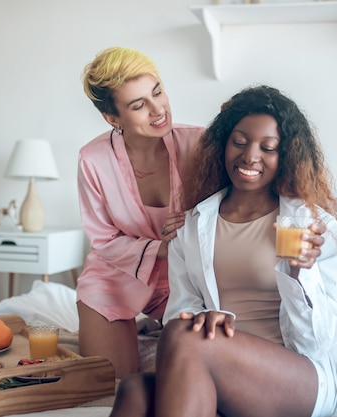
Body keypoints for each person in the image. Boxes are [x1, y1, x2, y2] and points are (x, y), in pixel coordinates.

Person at [110, 85, 337, 417]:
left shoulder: (310, 227)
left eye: (268, 148)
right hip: (217, 367)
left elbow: (320, 341)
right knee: (135, 390)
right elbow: (178, 314)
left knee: (186, 340)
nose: (250, 157)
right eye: (239, 143)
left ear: (285, 155)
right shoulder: (194, 224)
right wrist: (199, 318)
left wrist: (302, 274)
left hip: (300, 373)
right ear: (223, 145)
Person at [77, 47, 203, 378]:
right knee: (114, 382)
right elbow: (104, 240)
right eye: (139, 105)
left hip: (186, 278)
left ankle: (157, 318)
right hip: (116, 277)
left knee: (205, 368)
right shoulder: (92, 160)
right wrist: (159, 247)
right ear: (113, 119)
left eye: (157, 91)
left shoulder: (201, 145)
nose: (158, 109)